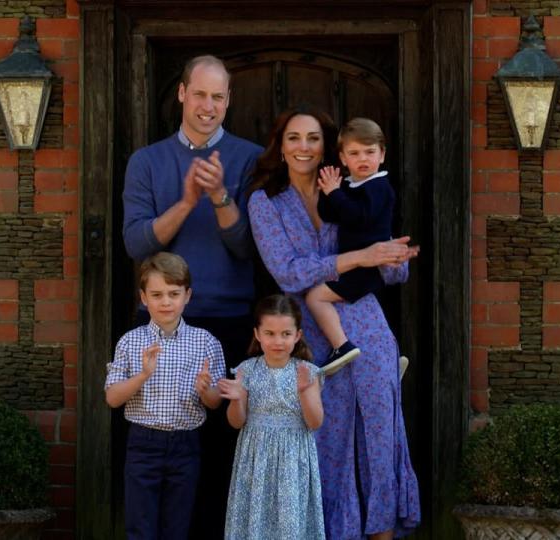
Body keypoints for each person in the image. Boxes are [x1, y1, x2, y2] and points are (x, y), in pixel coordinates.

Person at [246, 106, 421, 540]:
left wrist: (393, 258)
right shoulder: (265, 201)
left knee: (381, 438)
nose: (303, 147)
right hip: (312, 335)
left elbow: (390, 268)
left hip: (367, 322)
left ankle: (383, 533)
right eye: (293, 138)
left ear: (329, 148)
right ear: (280, 146)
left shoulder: (355, 186)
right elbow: (287, 272)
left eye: (312, 138)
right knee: (326, 443)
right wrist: (361, 257)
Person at [120, 54, 263, 537]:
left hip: (227, 321)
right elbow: (138, 244)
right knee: (158, 449)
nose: (207, 106)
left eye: (217, 97)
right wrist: (185, 202)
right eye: (199, 94)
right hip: (162, 322)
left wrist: (221, 196)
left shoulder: (251, 158)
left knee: (220, 450)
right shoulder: (147, 161)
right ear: (181, 93)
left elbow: (248, 247)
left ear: (229, 101)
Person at [104, 252, 226, 540]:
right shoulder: (131, 341)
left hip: (186, 444)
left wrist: (205, 389)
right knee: (140, 526)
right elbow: (112, 398)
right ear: (144, 298)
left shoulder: (205, 342)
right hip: (143, 444)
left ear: (187, 295)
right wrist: (143, 375)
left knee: (177, 526)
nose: (166, 302)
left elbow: (215, 402)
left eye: (174, 293)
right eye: (157, 294)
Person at [218, 294, 326, 539]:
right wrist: (236, 398)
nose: (278, 341)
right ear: (257, 333)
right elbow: (236, 421)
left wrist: (305, 392)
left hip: (293, 458)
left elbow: (315, 422)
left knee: (290, 522)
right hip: (255, 458)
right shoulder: (246, 370)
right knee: (256, 519)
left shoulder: (308, 372)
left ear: (297, 335)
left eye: (286, 334)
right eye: (270, 333)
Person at [307, 117, 396, 376]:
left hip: (366, 268)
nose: (363, 159)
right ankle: (383, 360)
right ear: (343, 159)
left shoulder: (379, 187)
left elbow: (359, 217)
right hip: (354, 264)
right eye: (354, 153)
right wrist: (328, 191)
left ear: (382, 154)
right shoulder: (352, 185)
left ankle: (341, 346)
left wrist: (336, 193)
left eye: (370, 152)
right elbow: (330, 214)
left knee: (315, 297)